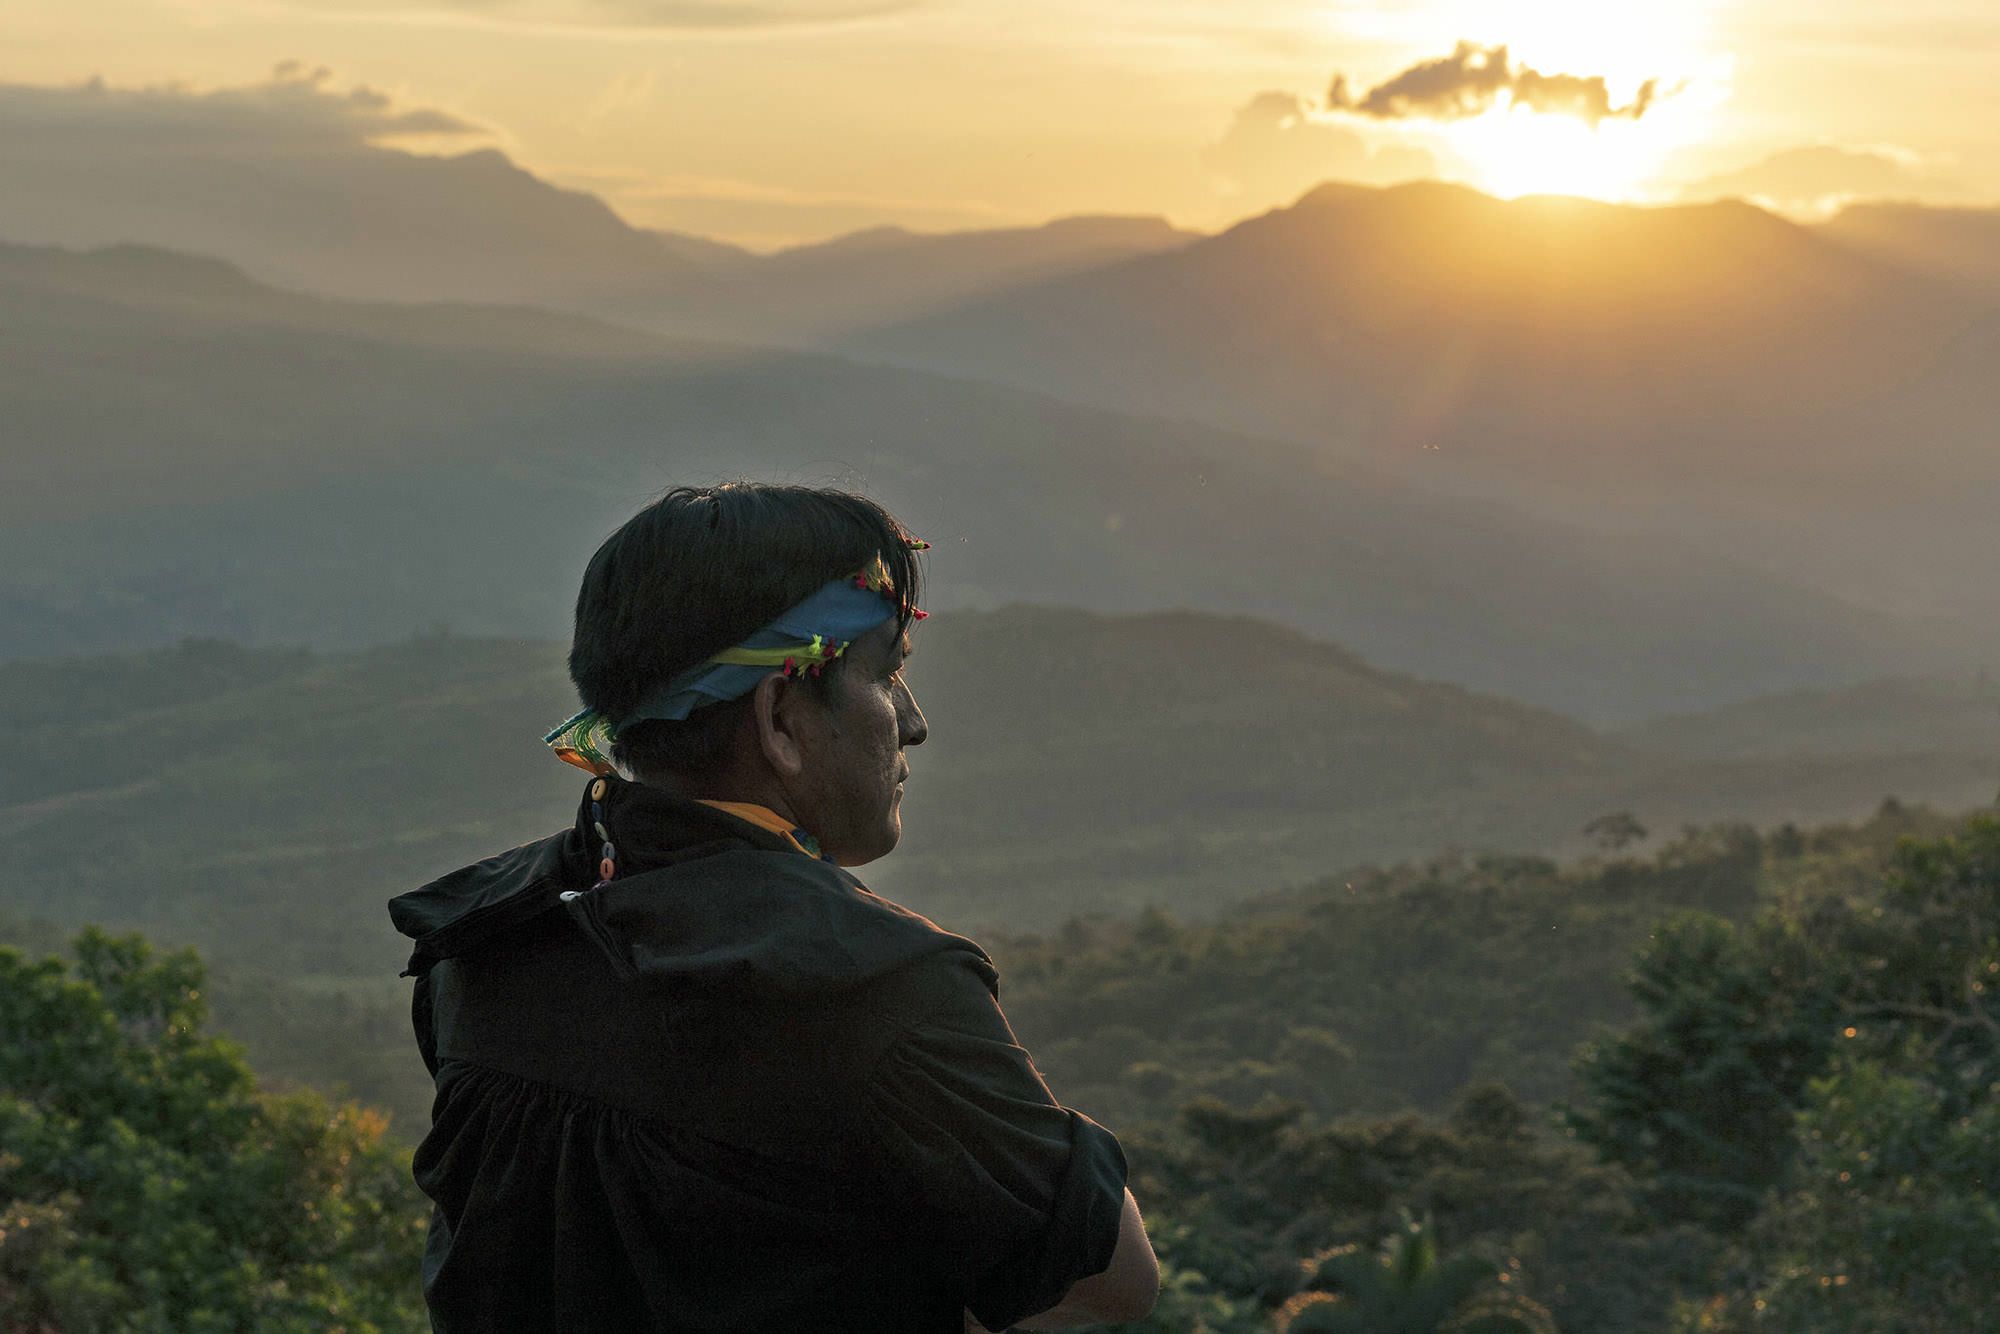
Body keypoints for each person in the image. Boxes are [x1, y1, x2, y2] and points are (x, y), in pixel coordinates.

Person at [389, 483, 1158, 1332]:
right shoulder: (874, 993)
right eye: (890, 674)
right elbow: (1106, 1281)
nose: (913, 723)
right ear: (782, 719)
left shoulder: (479, 937)